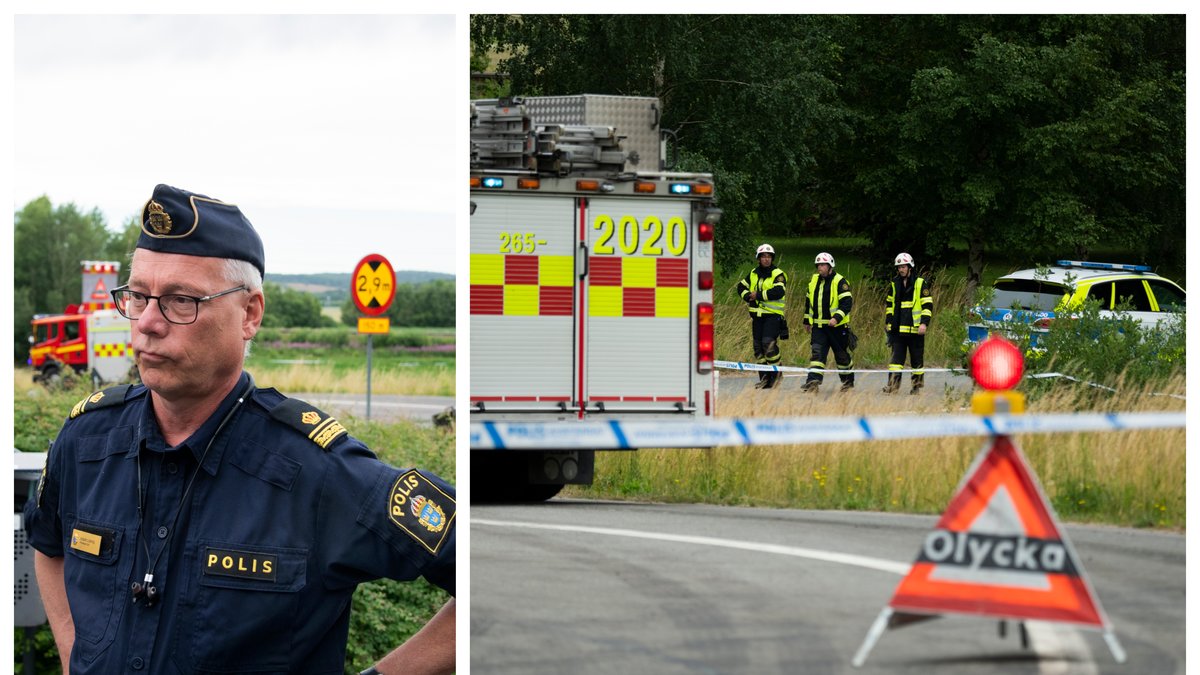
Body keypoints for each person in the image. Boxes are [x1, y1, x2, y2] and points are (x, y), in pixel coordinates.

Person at [23, 184, 456, 675]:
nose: (147, 322)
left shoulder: (317, 471)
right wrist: (75, 656)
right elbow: (49, 546)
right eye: (138, 296)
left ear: (249, 314)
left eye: (180, 301)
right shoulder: (85, 442)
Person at [801, 252, 855, 393]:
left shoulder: (840, 281)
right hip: (819, 327)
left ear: (830, 266)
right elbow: (808, 302)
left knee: (842, 357)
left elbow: (847, 303)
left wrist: (836, 318)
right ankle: (813, 382)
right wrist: (807, 320)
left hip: (837, 327)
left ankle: (848, 383)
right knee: (817, 355)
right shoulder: (814, 281)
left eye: (823, 265)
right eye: (818, 265)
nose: (820, 267)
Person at [737, 243, 788, 389]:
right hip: (757, 317)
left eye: (769, 256)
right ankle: (765, 380)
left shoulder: (778, 274)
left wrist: (757, 295)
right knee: (758, 348)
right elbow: (740, 287)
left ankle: (777, 374)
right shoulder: (753, 273)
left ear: (772, 258)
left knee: (768, 343)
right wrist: (747, 296)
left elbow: (778, 292)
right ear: (758, 259)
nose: (766, 259)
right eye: (763, 257)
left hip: (773, 316)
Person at [883, 252, 933, 394]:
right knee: (895, 362)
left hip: (916, 330)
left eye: (903, 266)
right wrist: (888, 321)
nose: (901, 269)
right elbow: (889, 304)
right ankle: (892, 386)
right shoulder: (894, 284)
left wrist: (924, 323)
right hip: (898, 330)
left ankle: (916, 387)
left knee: (917, 361)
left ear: (910, 267)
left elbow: (927, 305)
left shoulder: (920, 283)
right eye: (899, 267)